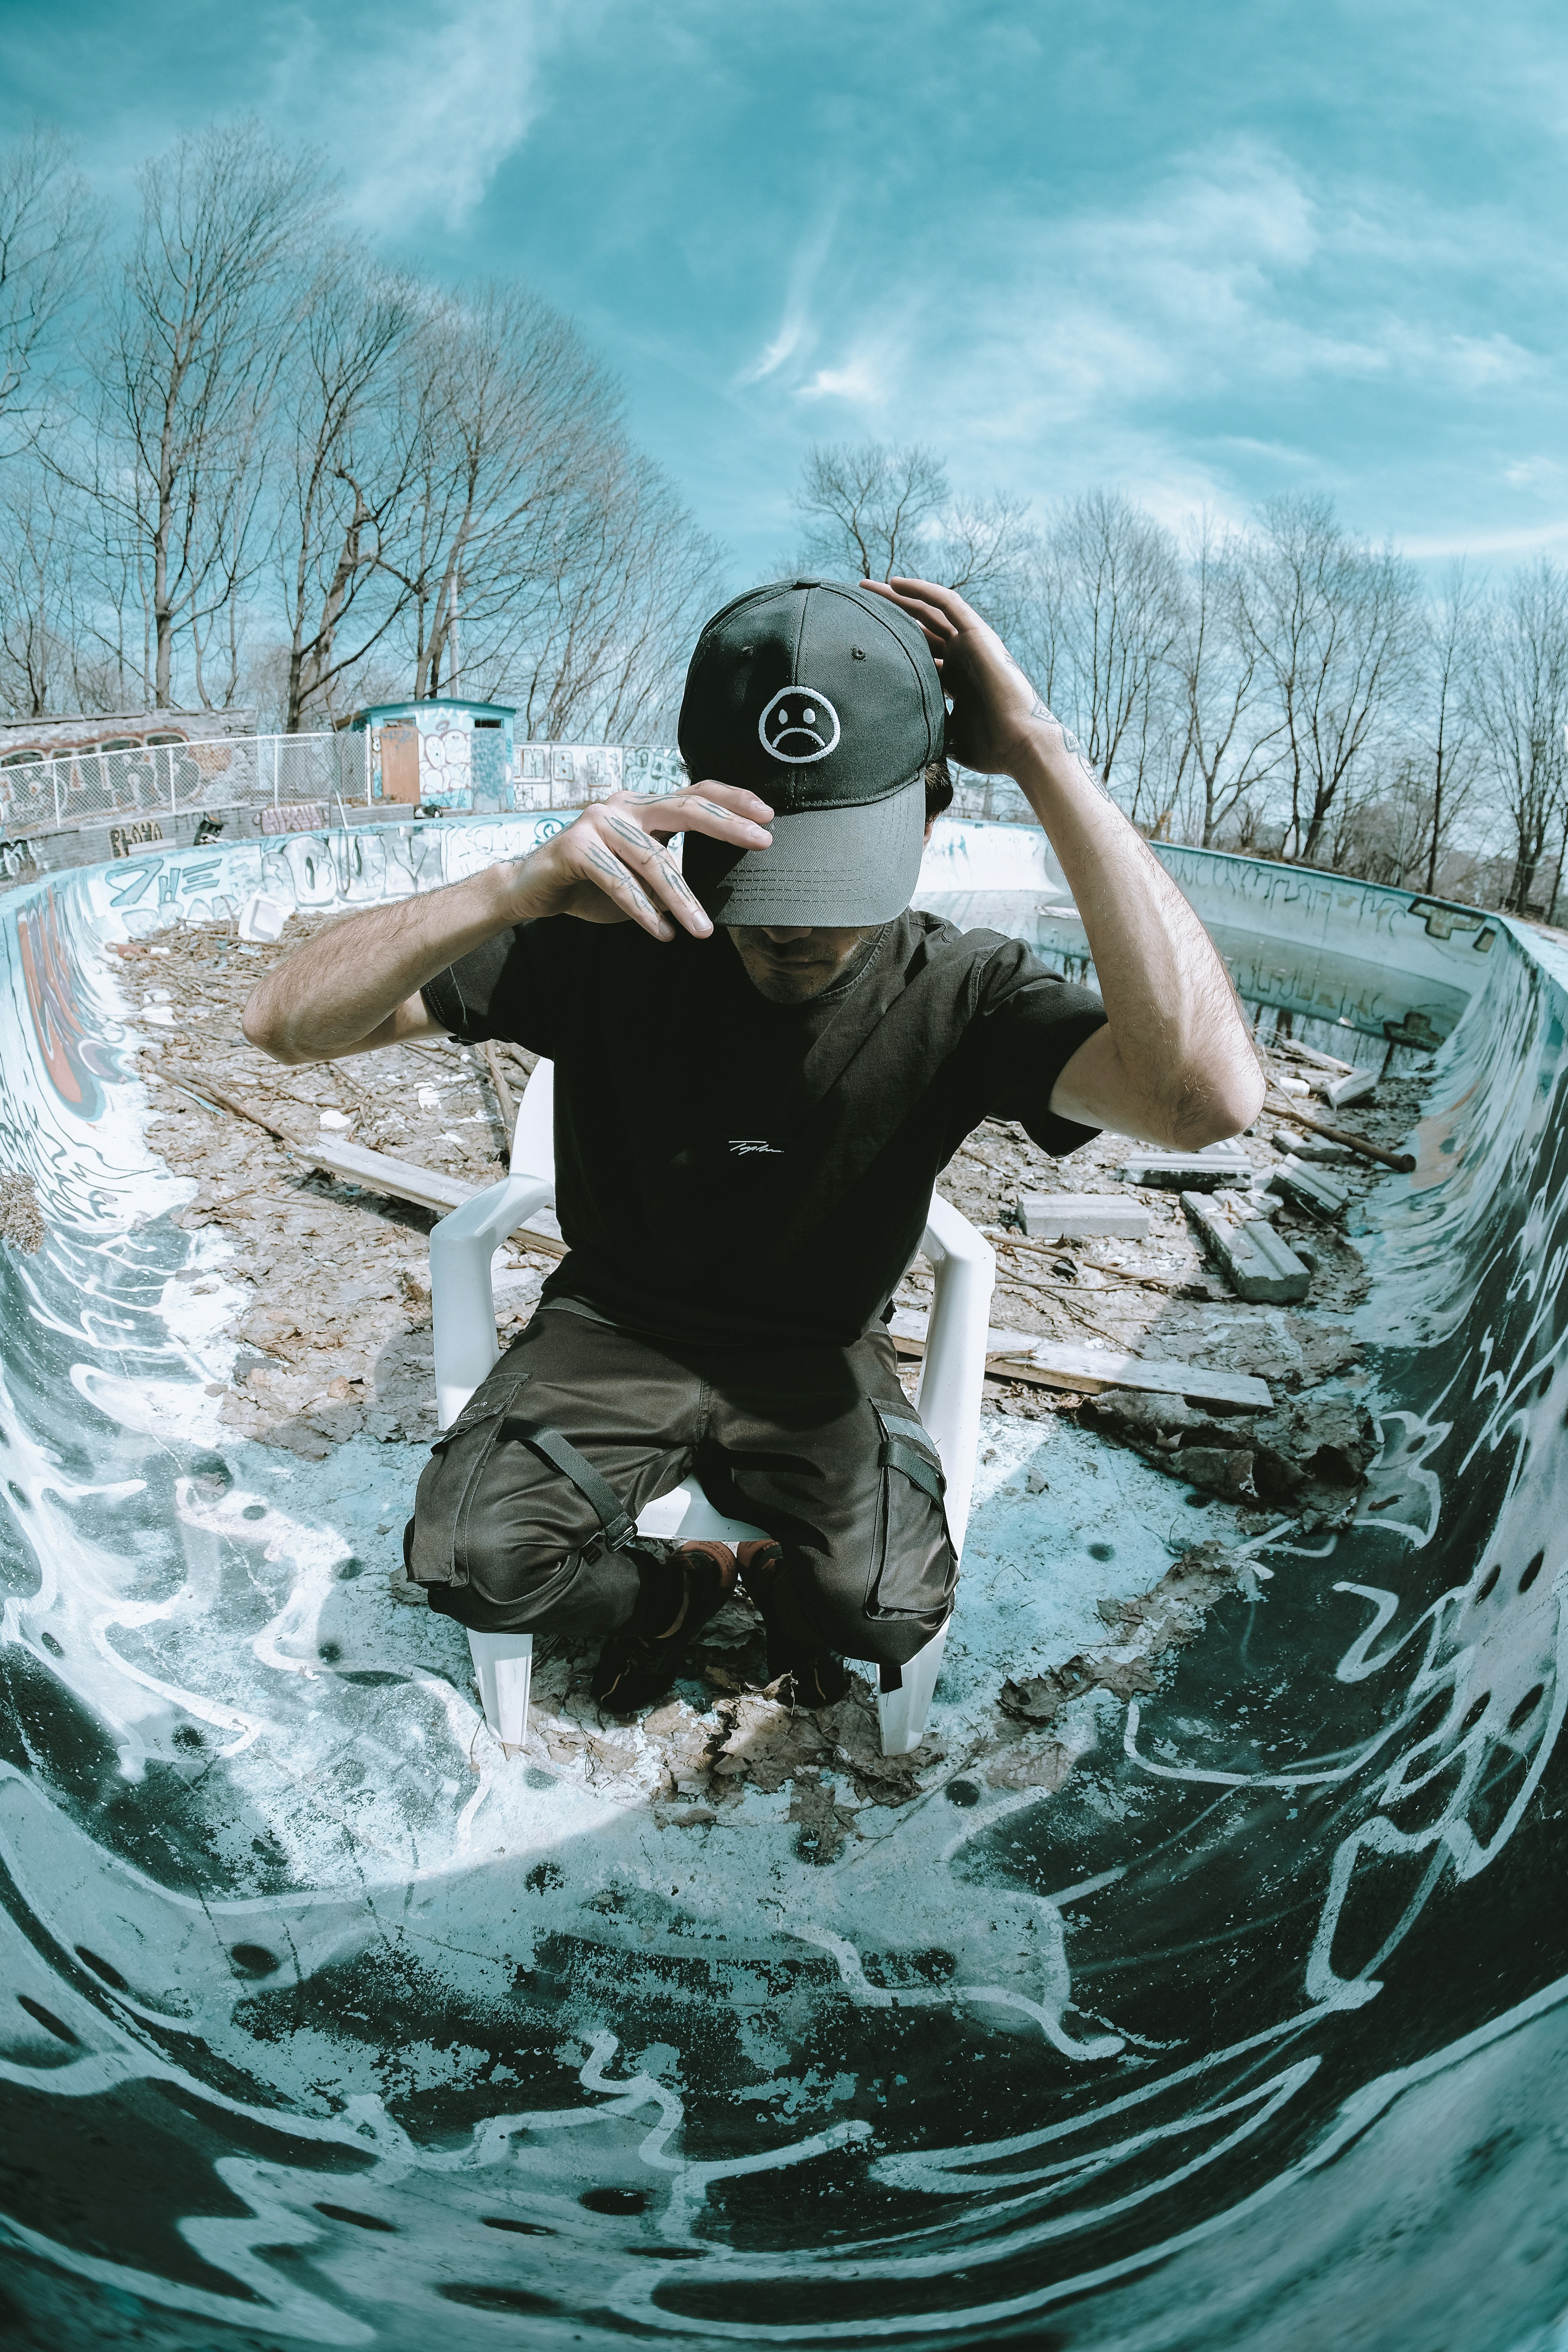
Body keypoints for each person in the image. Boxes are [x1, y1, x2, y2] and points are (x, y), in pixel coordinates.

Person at [243, 578, 1263, 1713]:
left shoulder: (963, 991)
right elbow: (285, 1024)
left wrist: (1039, 752)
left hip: (819, 1354)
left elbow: (1204, 1100)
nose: (794, 926)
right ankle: (673, 1591)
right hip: (610, 1328)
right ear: (689, 810)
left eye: (840, 880)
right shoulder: (607, 936)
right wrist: (510, 887)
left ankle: (779, 1580)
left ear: (928, 820)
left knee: (885, 1607)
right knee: (474, 1563)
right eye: (759, 872)